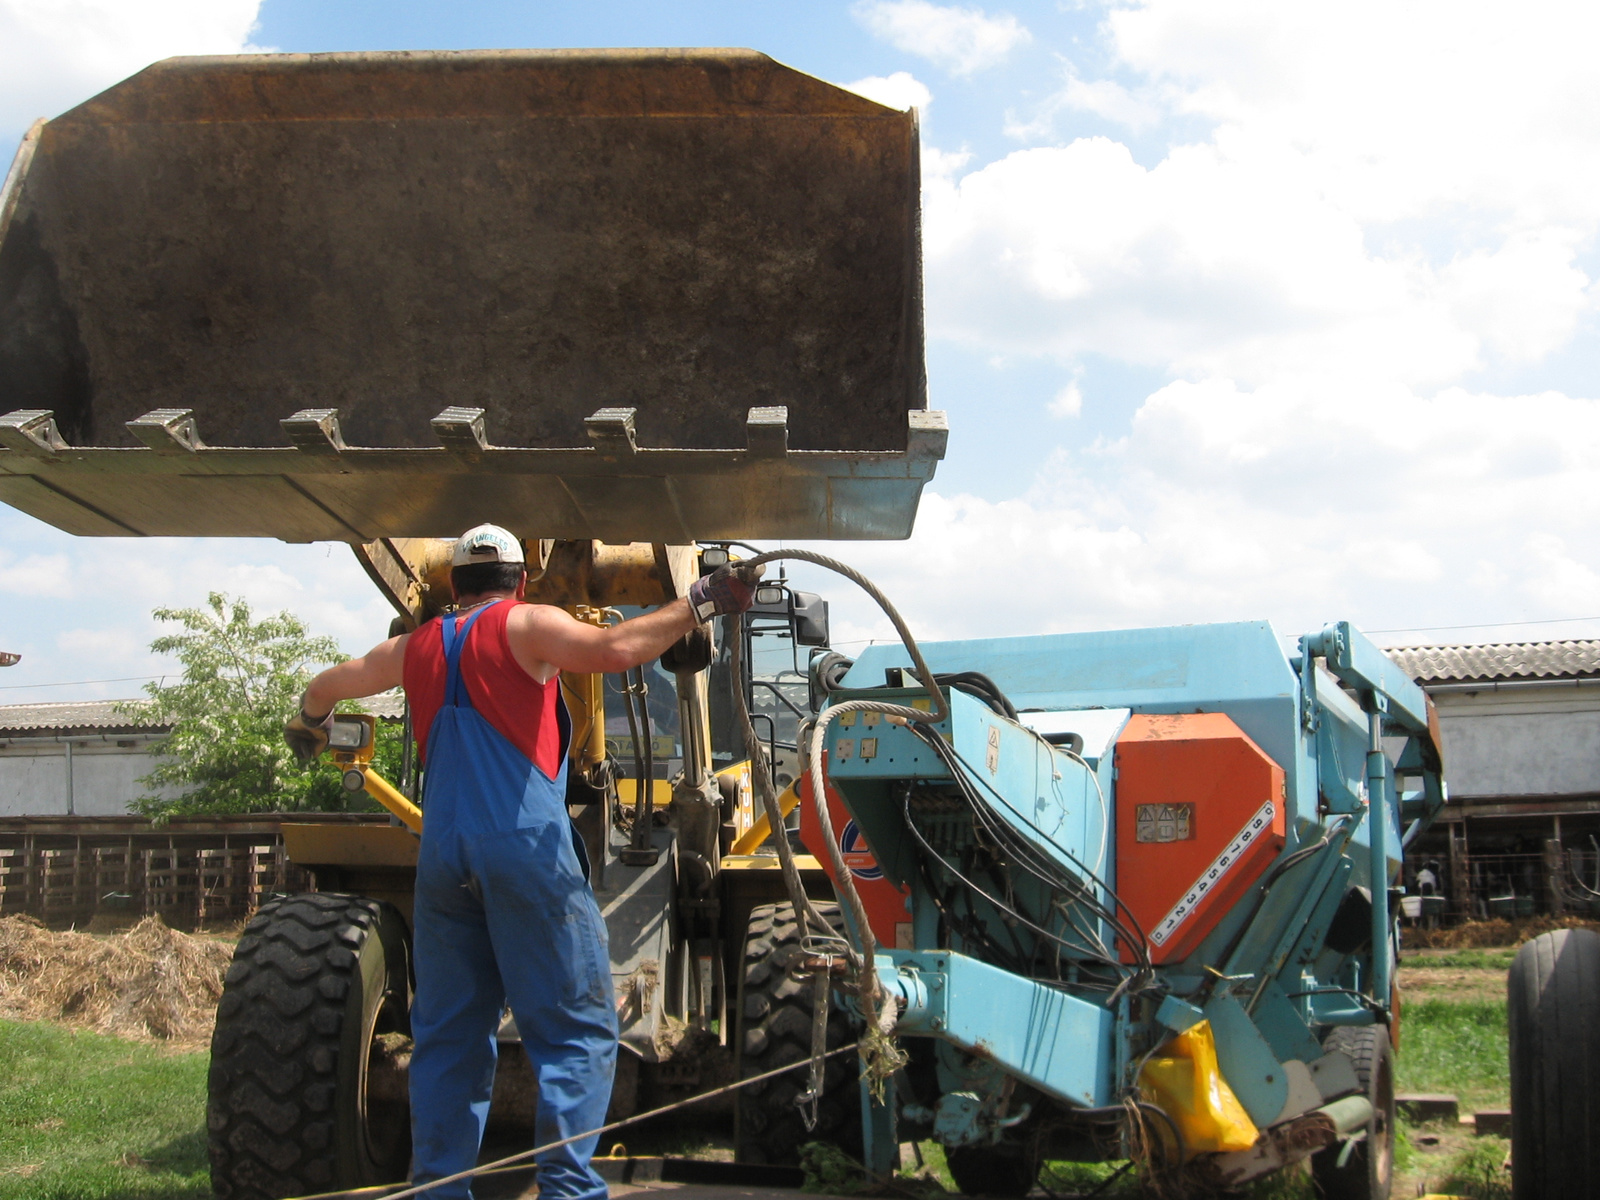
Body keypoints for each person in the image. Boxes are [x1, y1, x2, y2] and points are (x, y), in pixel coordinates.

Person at [284, 525, 760, 1200]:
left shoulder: (414, 647)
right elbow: (618, 647)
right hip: (522, 849)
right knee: (576, 1029)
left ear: (452, 585)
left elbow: (330, 684)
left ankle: (441, 1190)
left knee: (448, 1037)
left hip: (444, 859)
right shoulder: (527, 625)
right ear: (521, 580)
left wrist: (310, 720)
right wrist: (704, 599)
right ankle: (567, 1187)